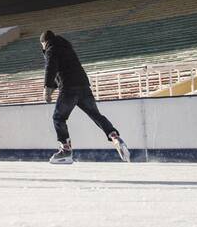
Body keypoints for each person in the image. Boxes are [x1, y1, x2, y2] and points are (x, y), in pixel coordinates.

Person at [40, 30, 130, 164]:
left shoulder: (51, 49)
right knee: (96, 115)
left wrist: (47, 89)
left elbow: (51, 68)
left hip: (69, 88)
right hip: (83, 86)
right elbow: (62, 67)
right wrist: (52, 86)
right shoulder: (67, 47)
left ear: (44, 42)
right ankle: (114, 136)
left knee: (59, 118)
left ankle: (66, 151)